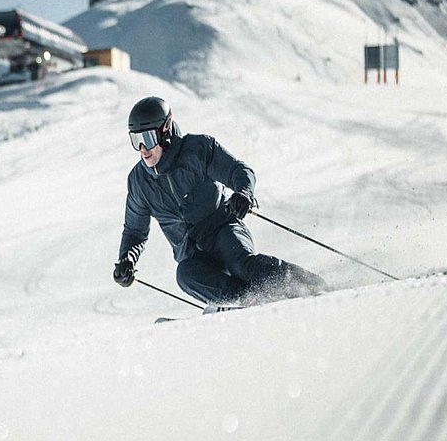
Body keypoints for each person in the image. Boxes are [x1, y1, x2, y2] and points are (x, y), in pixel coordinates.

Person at [112, 96, 328, 308]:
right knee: (185, 275)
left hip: (223, 229)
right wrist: (127, 259)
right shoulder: (139, 182)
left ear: (165, 130)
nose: (143, 149)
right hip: (192, 252)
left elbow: (238, 171)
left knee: (243, 265)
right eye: (135, 140)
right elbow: (134, 232)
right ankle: (248, 300)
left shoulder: (197, 149)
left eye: (147, 138)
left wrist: (244, 194)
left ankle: (310, 286)